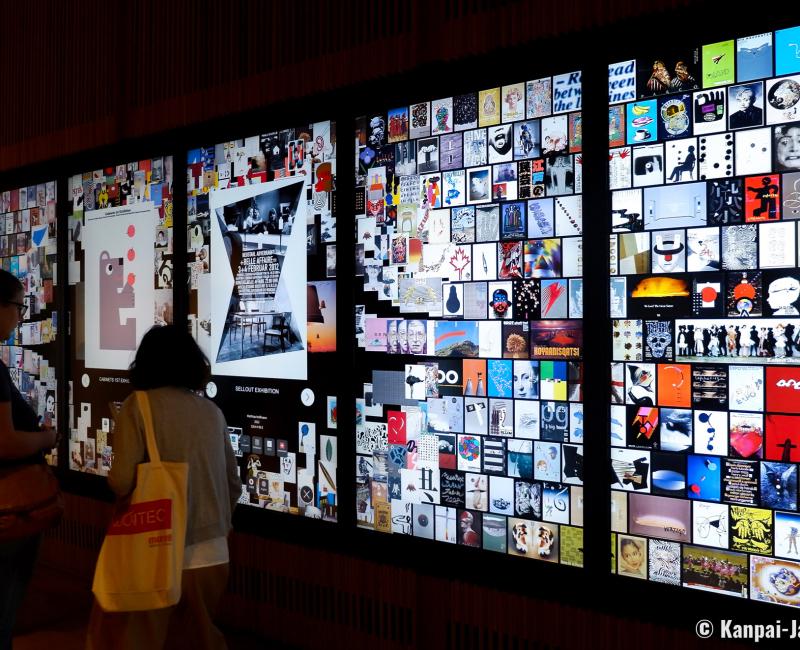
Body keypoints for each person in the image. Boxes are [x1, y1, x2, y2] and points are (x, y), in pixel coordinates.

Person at [87, 325, 240, 650]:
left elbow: (121, 480)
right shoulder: (212, 413)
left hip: (154, 549)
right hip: (212, 553)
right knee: (197, 639)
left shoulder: (137, 406)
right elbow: (233, 484)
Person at [0, 270, 58, 650]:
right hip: (8, 510)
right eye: (19, 307)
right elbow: (4, 443)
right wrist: (47, 437)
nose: (21, 317)